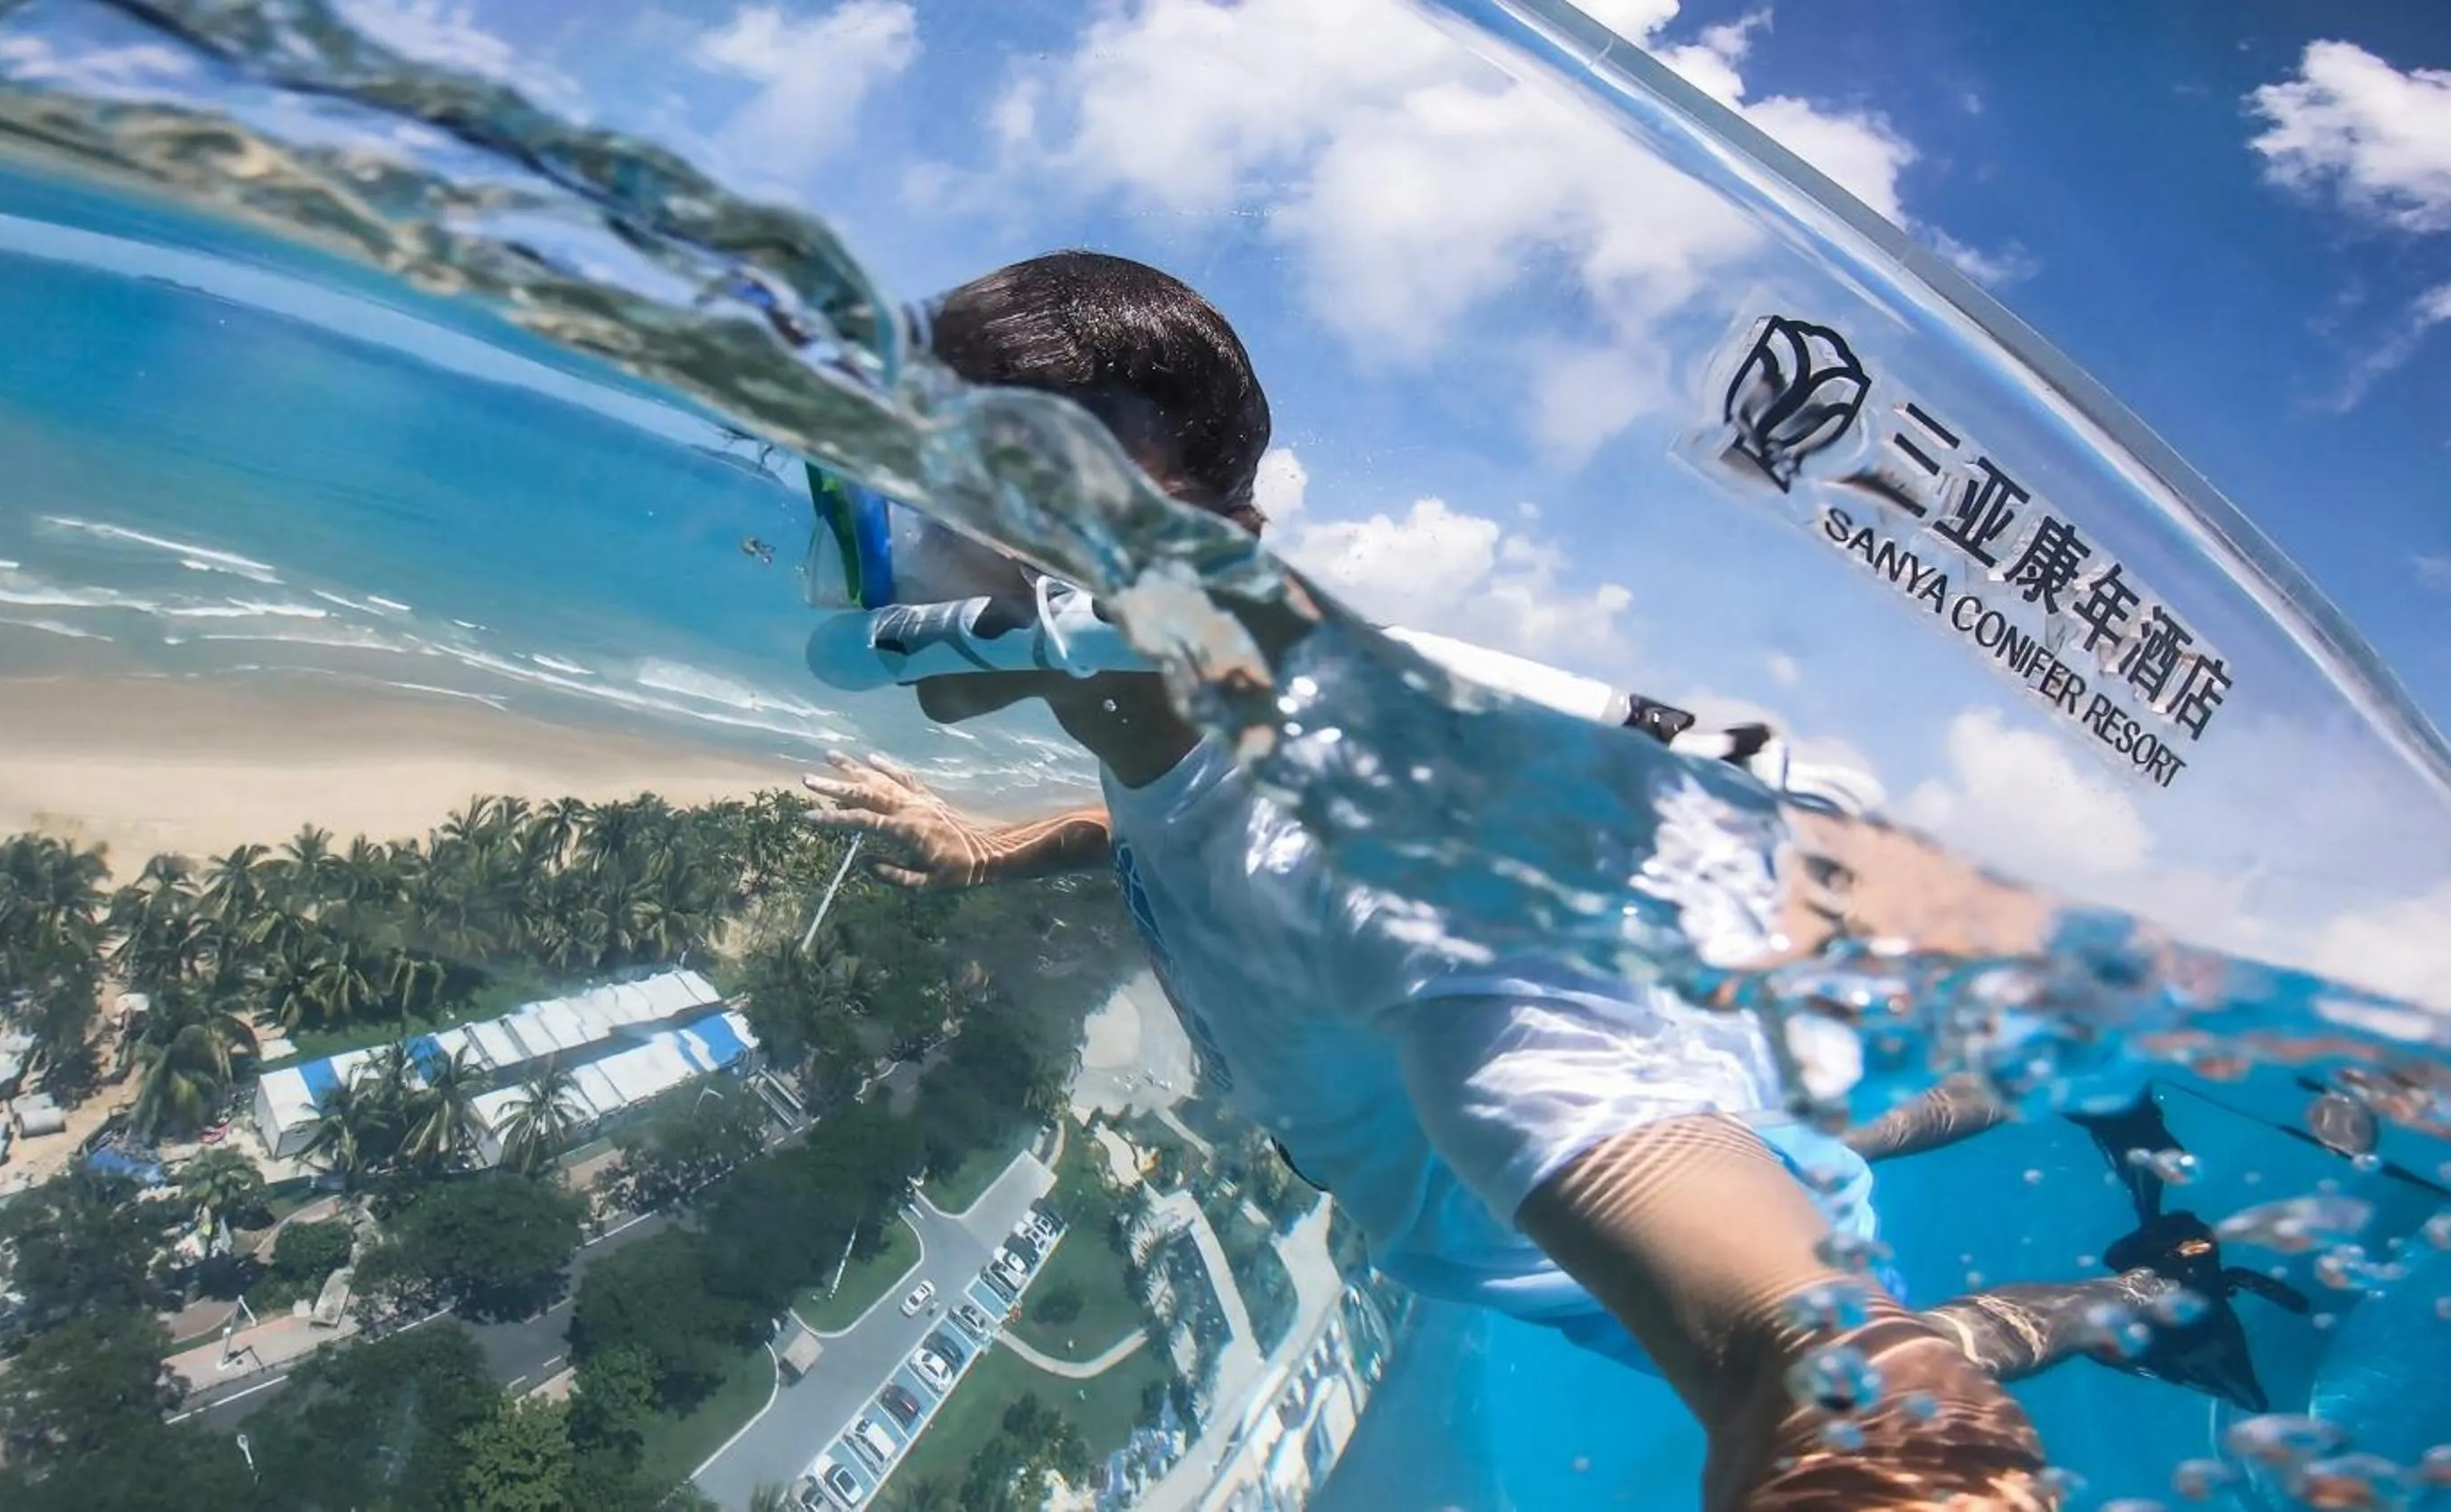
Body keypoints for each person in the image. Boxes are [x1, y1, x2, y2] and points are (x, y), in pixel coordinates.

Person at [798, 250, 2234, 1508]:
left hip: (1519, 1225)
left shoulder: (1405, 909)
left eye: (980, 494)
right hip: (1628, 1056)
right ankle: (2004, 1081)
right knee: (1818, 1112)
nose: (898, 555)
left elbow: (1793, 1351)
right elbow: (1188, 819)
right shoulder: (1183, 718)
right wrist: (1009, 837)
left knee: (1926, 1301)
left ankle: (2146, 1293)